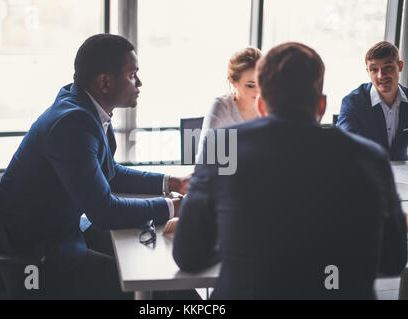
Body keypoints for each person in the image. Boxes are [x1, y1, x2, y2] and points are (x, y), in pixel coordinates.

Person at [173, 42, 407, 299]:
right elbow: (393, 259)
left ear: (261, 106)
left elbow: (189, 255)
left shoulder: (221, 146)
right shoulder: (371, 158)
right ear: (321, 106)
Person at [0, 34, 192, 299]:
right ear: (104, 82)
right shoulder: (73, 124)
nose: (139, 83)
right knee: (155, 288)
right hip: (35, 256)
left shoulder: (84, 107)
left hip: (57, 233)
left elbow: (111, 173)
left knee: (157, 272)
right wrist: (173, 206)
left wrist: (173, 183)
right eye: (132, 75)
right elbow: (104, 212)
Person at [337, 41, 408, 161]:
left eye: (388, 67)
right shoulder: (353, 103)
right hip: (366, 173)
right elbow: (345, 144)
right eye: (374, 69)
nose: (381, 75)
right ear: (368, 72)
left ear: (400, 66)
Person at [195, 47, 262, 163]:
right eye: (250, 85)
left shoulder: (270, 105)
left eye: (262, 82)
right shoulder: (222, 107)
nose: (258, 91)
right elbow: (203, 159)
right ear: (233, 82)